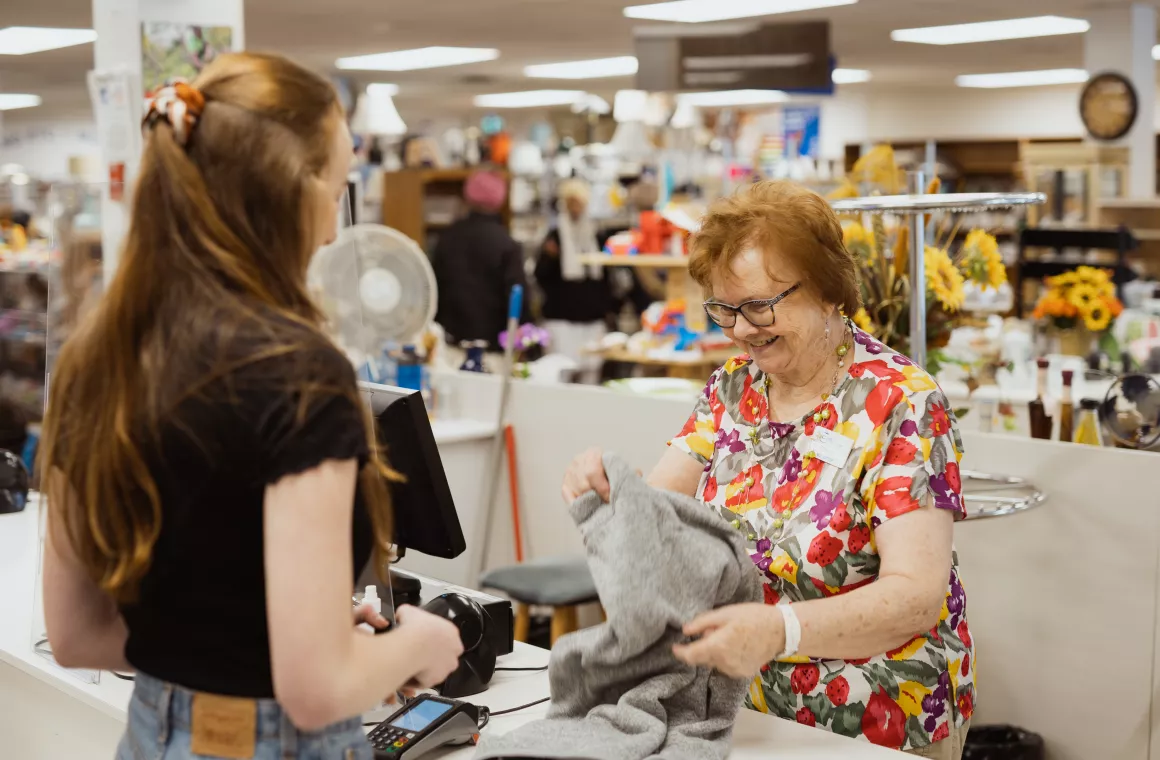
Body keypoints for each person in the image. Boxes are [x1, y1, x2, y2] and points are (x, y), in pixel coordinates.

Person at [39, 53, 463, 759]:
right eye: (336, 189)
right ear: (292, 192)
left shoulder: (100, 358)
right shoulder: (299, 376)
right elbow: (317, 689)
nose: (334, 231)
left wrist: (290, 635)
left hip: (153, 734)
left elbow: (78, 635)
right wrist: (420, 640)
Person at [562, 181, 974, 760]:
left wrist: (778, 630)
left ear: (829, 290)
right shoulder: (733, 387)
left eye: (758, 306)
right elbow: (655, 519)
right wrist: (611, 489)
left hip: (880, 722)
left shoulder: (901, 402)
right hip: (748, 716)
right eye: (724, 310)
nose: (739, 330)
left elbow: (914, 597)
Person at [432, 170, 528, 354]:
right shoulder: (506, 244)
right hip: (493, 346)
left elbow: (434, 287)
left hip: (451, 343)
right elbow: (517, 297)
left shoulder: (447, 238)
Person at [535, 179, 612, 384]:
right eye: (571, 202)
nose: (575, 208)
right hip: (562, 320)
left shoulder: (596, 235)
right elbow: (540, 274)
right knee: (560, 376)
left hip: (592, 320)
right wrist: (550, 257)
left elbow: (606, 276)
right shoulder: (555, 236)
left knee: (591, 378)